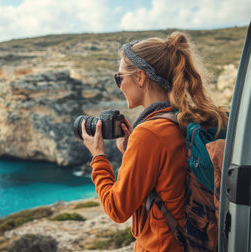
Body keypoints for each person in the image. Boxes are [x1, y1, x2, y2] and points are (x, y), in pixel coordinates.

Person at [80, 32, 228, 251]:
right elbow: (167, 179)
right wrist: (130, 152)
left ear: (140, 77)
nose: (119, 86)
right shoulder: (179, 118)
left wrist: (98, 158)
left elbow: (117, 209)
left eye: (119, 78)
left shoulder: (149, 133)